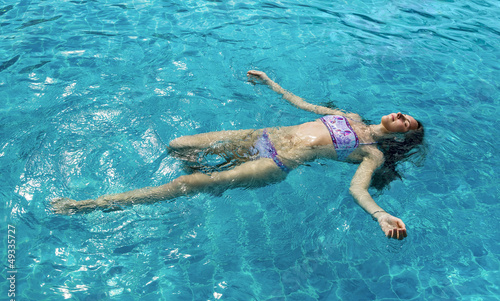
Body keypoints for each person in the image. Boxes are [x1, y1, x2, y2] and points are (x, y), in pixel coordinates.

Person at [52, 70, 426, 240]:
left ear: (402, 136)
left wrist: (380, 215)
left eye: (406, 122)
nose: (399, 115)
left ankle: (87, 205)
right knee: (179, 145)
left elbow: (357, 190)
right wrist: (270, 83)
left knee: (187, 182)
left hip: (276, 162)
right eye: (402, 112)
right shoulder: (349, 116)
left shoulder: (371, 154)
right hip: (261, 137)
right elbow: (300, 103)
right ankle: (206, 172)